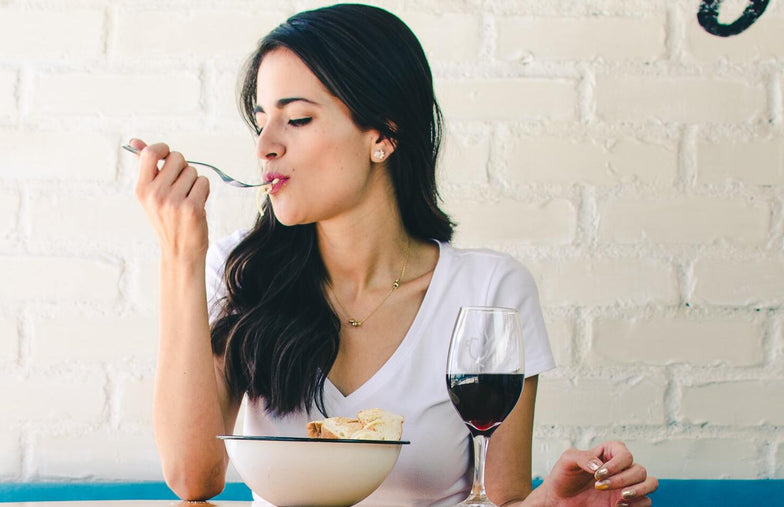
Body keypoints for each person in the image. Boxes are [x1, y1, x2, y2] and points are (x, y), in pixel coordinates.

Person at [129, 3, 658, 506]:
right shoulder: (240, 272)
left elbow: (501, 500)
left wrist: (552, 503)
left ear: (382, 134)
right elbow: (191, 476)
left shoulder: (489, 291)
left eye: (297, 120)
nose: (264, 144)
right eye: (261, 119)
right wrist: (181, 256)